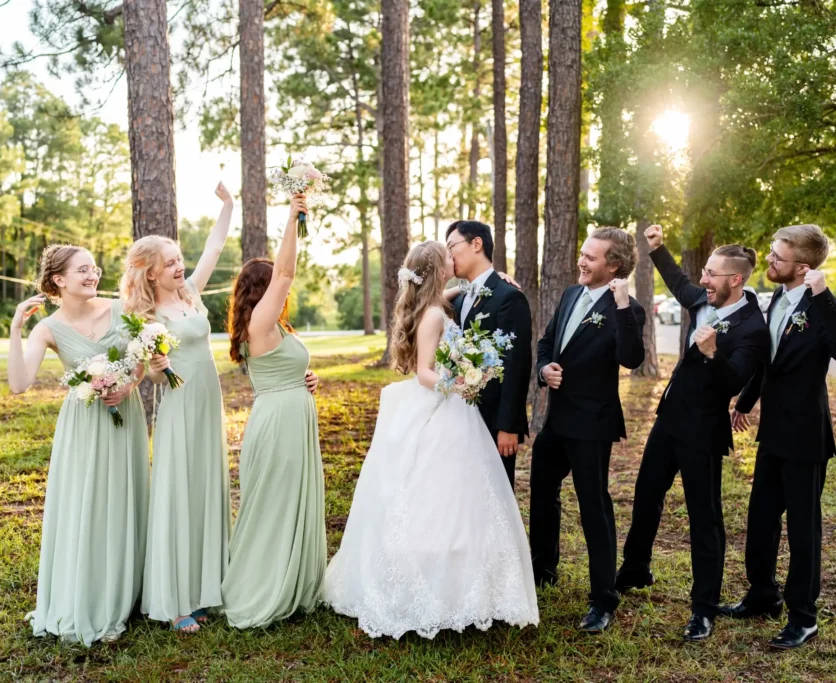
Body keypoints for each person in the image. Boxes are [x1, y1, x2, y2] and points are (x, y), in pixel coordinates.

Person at [323, 240, 540, 640]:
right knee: (438, 496)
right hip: (443, 405)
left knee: (461, 499)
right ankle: (433, 586)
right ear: (439, 268)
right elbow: (424, 371)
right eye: (447, 259)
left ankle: (461, 581)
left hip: (453, 408)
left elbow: (453, 294)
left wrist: (493, 282)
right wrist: (461, 382)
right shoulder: (433, 316)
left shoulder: (437, 303)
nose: (453, 262)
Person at [615, 224, 768, 642]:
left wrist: (713, 353)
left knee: (705, 519)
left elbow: (734, 379)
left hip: (703, 431)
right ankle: (635, 569)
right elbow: (680, 283)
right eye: (705, 273)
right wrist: (657, 250)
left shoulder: (754, 327)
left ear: (735, 280)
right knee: (646, 495)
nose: (703, 280)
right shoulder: (703, 297)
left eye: (712, 274)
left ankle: (703, 608)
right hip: (668, 418)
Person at [721, 224, 836, 649]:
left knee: (803, 530)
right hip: (773, 434)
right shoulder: (777, 299)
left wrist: (824, 296)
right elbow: (769, 361)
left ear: (803, 268)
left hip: (806, 435)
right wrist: (745, 402)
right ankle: (763, 595)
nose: (769, 262)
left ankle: (803, 615)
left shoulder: (821, 308)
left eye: (777, 258)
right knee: (761, 520)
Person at [9, 244, 149, 645]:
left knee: (122, 498)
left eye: (95, 269)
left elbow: (139, 359)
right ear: (59, 280)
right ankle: (87, 591)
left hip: (124, 414)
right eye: (83, 270)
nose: (93, 275)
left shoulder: (121, 309)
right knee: (86, 503)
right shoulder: (47, 328)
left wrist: (128, 384)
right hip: (82, 424)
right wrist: (17, 328)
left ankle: (129, 588)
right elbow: (19, 384)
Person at [119, 182, 237, 633]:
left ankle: (204, 587)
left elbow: (214, 244)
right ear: (149, 273)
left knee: (206, 486)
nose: (178, 265)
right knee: (178, 490)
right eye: (168, 262)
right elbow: (148, 378)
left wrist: (228, 205)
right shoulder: (145, 318)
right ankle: (173, 602)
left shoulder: (190, 293)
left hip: (209, 401)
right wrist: (158, 366)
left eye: (177, 259)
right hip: (179, 404)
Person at [528, 227, 646, 634]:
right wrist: (544, 370)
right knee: (542, 490)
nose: (581, 261)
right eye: (583, 253)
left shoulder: (626, 309)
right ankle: (543, 569)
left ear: (613, 265)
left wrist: (622, 306)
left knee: (593, 507)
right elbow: (546, 343)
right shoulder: (569, 295)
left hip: (592, 424)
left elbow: (631, 358)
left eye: (591, 257)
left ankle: (603, 599)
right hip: (556, 420)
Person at [220, 195, 325, 629]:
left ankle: (294, 582)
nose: (286, 291)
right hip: (279, 426)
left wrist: (307, 380)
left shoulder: (273, 326)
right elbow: (286, 270)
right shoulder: (259, 323)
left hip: (288, 415)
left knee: (290, 502)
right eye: (277, 287)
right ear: (263, 291)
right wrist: (292, 216)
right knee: (274, 506)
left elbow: (280, 369)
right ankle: (261, 587)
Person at [445, 220, 533, 488]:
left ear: (476, 244)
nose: (449, 256)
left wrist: (509, 426)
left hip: (495, 422)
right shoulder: (459, 299)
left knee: (495, 494)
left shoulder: (508, 297)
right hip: (461, 417)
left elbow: (517, 365)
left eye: (452, 247)